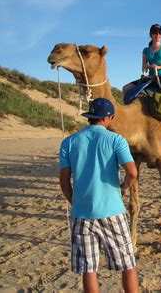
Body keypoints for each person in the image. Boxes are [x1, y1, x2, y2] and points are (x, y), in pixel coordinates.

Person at [59, 98, 139, 292]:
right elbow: (132, 172)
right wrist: (124, 187)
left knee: (89, 269)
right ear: (108, 118)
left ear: (90, 117)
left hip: (82, 214)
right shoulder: (116, 140)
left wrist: (75, 201)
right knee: (127, 264)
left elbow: (64, 181)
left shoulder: (69, 142)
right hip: (112, 212)